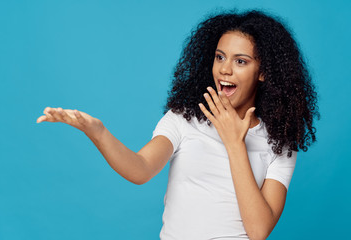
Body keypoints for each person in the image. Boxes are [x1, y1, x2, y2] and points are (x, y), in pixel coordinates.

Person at [36, 10, 319, 240]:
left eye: (240, 61)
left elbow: (258, 231)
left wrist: (235, 144)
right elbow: (140, 169)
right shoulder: (184, 118)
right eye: (219, 57)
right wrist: (97, 132)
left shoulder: (280, 142)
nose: (225, 69)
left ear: (263, 73)